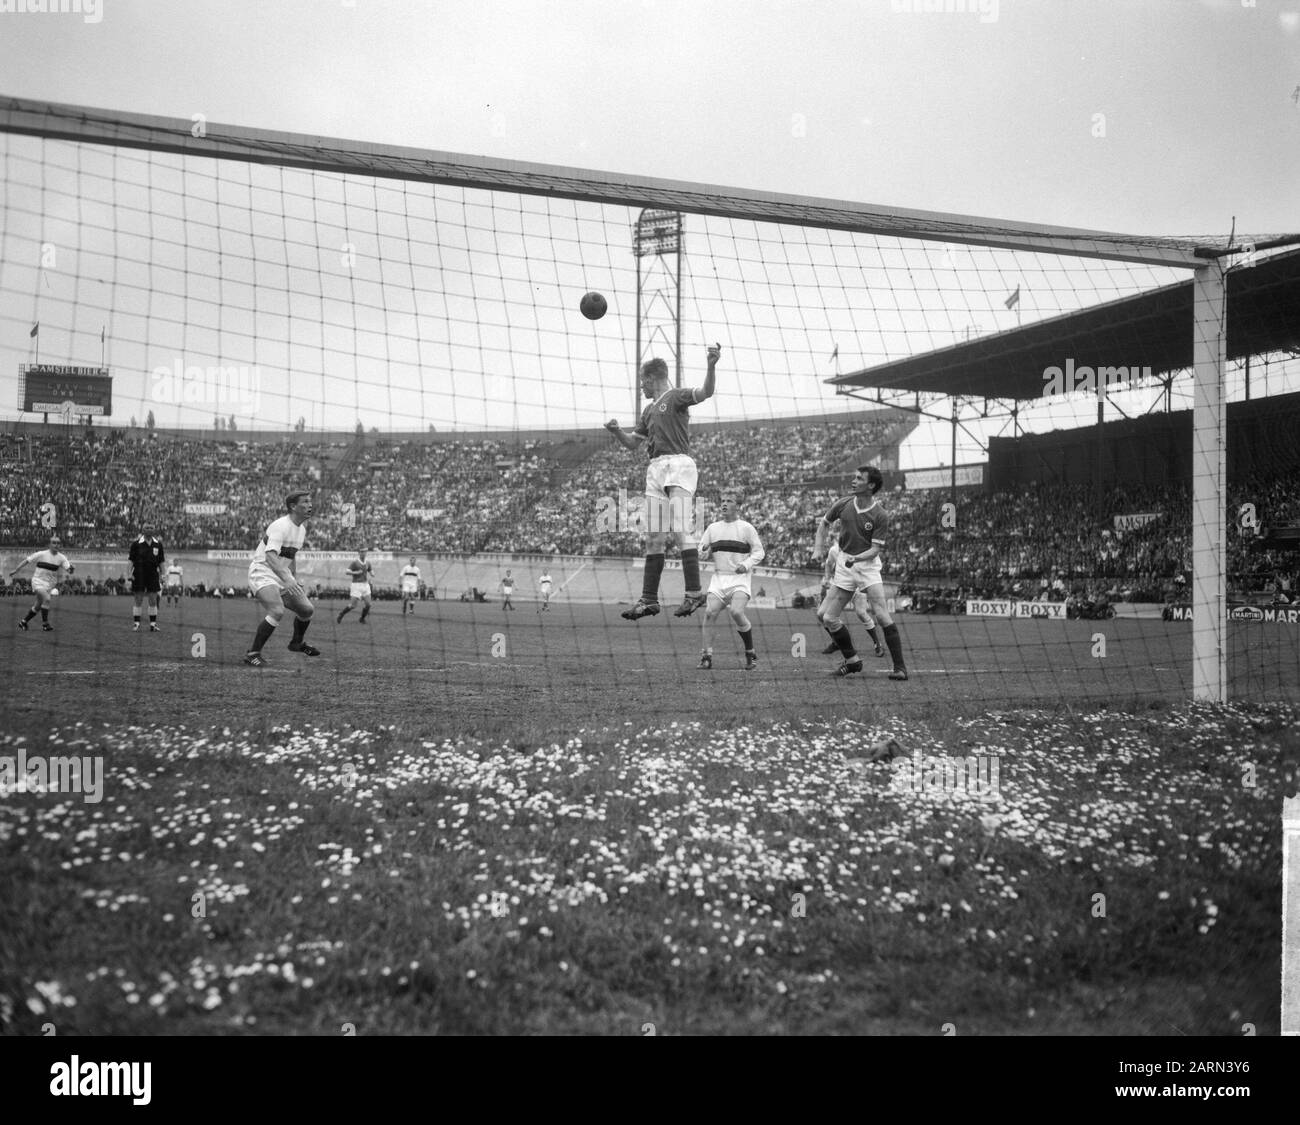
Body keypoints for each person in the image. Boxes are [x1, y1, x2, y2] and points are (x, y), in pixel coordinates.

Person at [606, 345, 720, 620]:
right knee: (653, 538)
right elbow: (633, 444)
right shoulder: (647, 411)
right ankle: (648, 601)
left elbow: (705, 393)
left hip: (678, 464)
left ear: (651, 378)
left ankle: (694, 593)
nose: (641, 386)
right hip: (655, 469)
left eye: (642, 381)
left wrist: (711, 365)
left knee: (682, 527)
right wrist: (617, 431)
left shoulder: (676, 396)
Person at [812, 465, 909, 681]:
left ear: (871, 485)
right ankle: (853, 661)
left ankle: (900, 668)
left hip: (867, 566)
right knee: (827, 616)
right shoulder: (844, 503)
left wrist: (857, 558)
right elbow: (824, 524)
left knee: (881, 614)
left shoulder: (880, 514)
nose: (853, 481)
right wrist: (818, 548)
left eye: (858, 478)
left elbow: (875, 550)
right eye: (854, 477)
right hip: (845, 563)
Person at [243, 491, 320, 666]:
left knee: (307, 609)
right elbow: (270, 556)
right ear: (293, 506)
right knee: (277, 611)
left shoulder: (301, 530)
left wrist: (294, 578)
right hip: (262, 571)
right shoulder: (280, 526)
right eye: (306, 502)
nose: (310, 505)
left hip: (281, 575)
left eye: (310, 502)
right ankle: (253, 653)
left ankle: (296, 643)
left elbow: (291, 557)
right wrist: (287, 578)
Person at [696, 493, 764, 671]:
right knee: (710, 613)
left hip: (739, 580)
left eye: (729, 501)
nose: (724, 504)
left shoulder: (746, 528)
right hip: (718, 580)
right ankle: (706, 657)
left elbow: (759, 552)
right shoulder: (712, 528)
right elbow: (701, 552)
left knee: (736, 611)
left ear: (738, 506)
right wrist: (703, 550)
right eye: (723, 501)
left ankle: (750, 651)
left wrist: (746, 564)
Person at [820, 538, 885, 658]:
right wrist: (827, 578)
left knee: (861, 612)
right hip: (840, 585)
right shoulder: (834, 550)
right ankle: (837, 642)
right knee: (821, 614)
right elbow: (828, 564)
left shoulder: (860, 546)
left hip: (858, 585)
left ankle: (877, 644)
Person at [11, 535, 74, 633]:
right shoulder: (41, 554)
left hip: (49, 585)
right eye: (54, 542)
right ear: (49, 544)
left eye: (58, 543)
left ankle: (23, 622)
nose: (56, 545)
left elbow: (69, 570)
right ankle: (45, 624)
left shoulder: (62, 558)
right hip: (37, 582)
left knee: (38, 606)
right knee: (47, 599)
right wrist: (16, 570)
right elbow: (27, 561)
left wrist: (71, 569)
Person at [128, 522, 165, 632]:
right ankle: (136, 624)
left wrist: (163, 575)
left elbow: (161, 561)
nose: (149, 529)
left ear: (154, 530)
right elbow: (130, 560)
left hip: (153, 574)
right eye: (147, 528)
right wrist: (128, 574)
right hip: (138, 574)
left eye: (151, 527)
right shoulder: (136, 544)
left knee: (153, 600)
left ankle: (153, 625)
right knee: (138, 599)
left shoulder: (158, 544)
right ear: (143, 530)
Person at [337, 549, 374, 624]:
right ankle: (342, 614)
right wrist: (356, 572)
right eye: (362, 552)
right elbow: (347, 572)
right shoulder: (355, 562)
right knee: (353, 605)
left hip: (365, 585)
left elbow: (370, 570)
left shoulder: (368, 562)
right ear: (359, 553)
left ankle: (362, 618)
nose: (363, 553)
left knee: (368, 604)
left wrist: (372, 574)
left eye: (365, 552)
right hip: (356, 585)